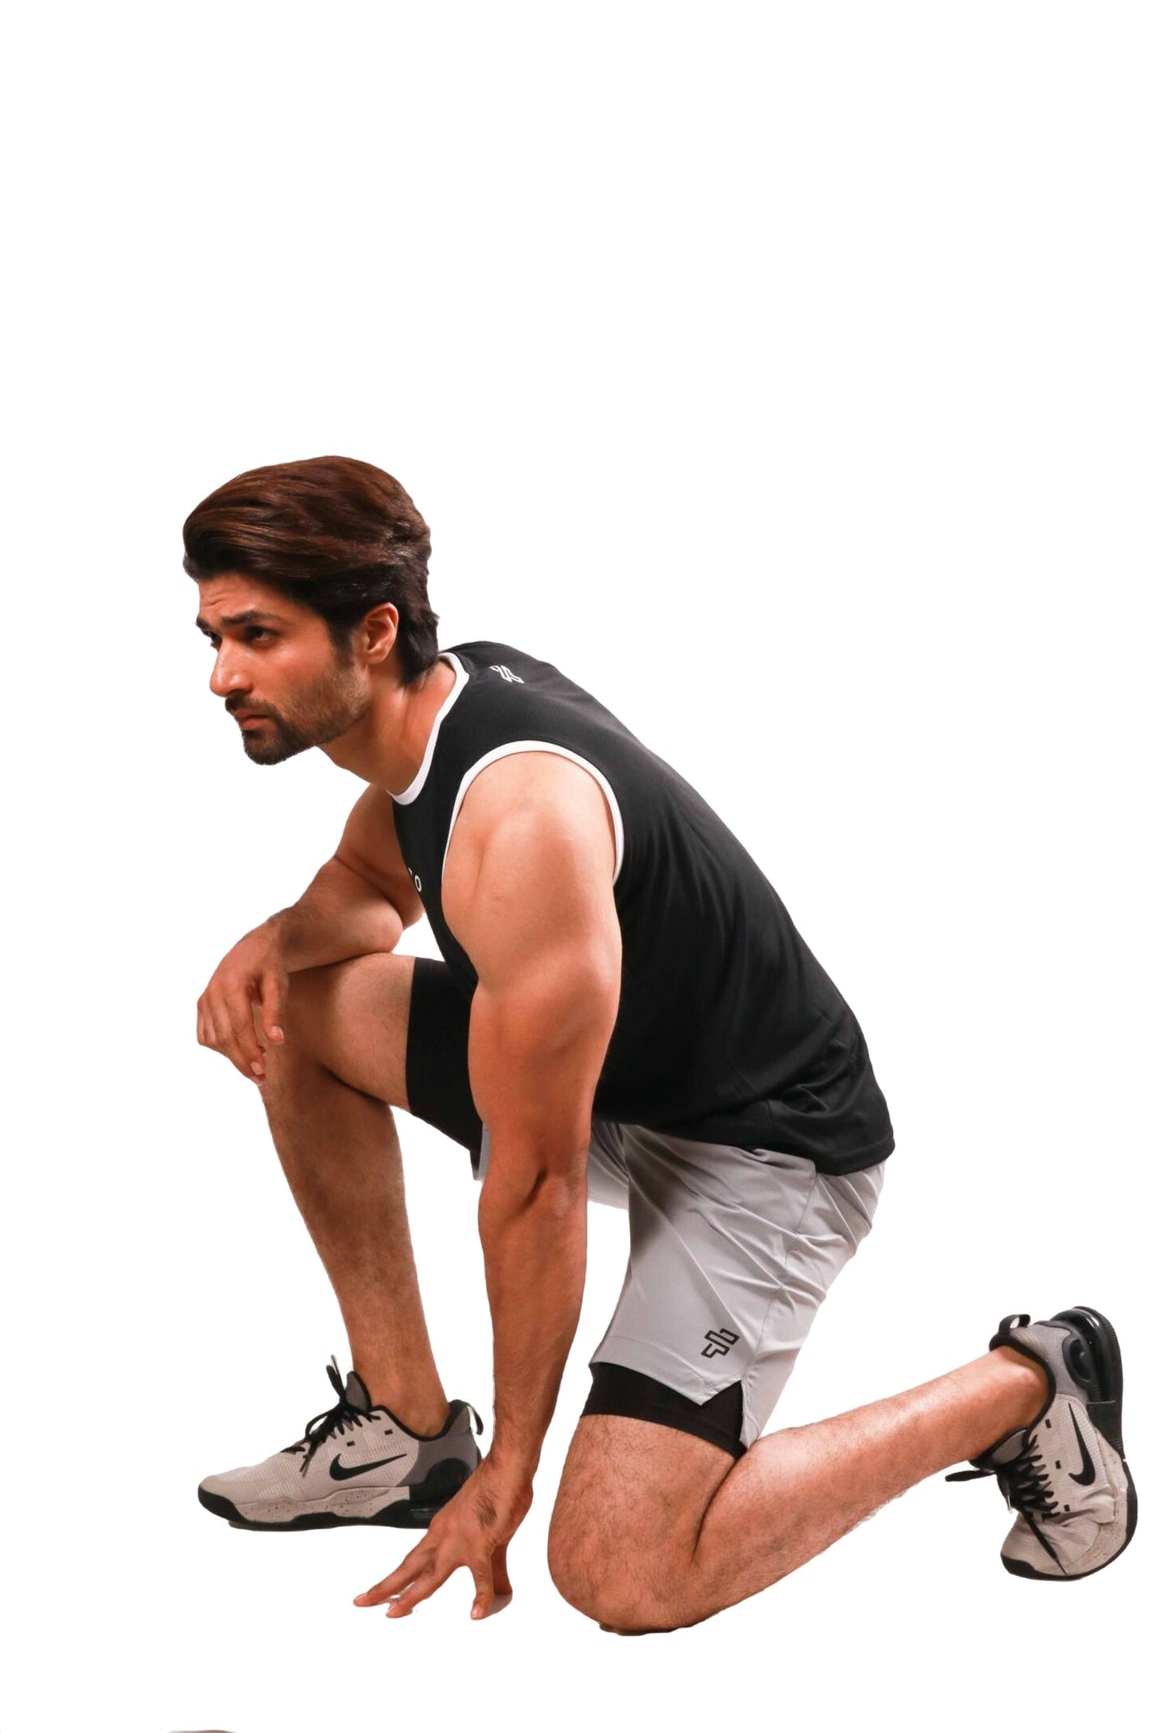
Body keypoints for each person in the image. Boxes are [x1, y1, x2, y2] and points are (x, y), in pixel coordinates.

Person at [184, 455, 1135, 1632]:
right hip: (625, 1087)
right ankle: (405, 1432)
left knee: (621, 1571)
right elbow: (371, 889)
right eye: (214, 637)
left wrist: (512, 1472)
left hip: (768, 1148)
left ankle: (1030, 1384)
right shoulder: (435, 716)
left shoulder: (521, 823)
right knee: (293, 1011)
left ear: (372, 634)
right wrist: (274, 944)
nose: (222, 675)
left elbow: (534, 1188)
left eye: (258, 637)